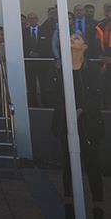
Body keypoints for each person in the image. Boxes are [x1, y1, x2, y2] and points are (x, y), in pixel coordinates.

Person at [49, 32, 105, 219]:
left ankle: (97, 205)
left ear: (85, 46)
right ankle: (69, 200)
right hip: (65, 120)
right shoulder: (59, 68)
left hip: (88, 123)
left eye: (77, 38)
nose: (73, 39)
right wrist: (65, 111)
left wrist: (82, 109)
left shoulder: (91, 68)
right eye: (71, 37)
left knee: (91, 163)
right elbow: (54, 93)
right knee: (67, 162)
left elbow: (97, 94)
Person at [23, 11, 52, 107]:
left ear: (37, 19)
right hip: (29, 63)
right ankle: (33, 104)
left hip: (42, 63)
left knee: (44, 84)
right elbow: (22, 46)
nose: (32, 20)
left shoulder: (44, 30)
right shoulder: (23, 32)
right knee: (31, 85)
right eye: (30, 18)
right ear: (27, 20)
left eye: (34, 18)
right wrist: (29, 53)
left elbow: (48, 46)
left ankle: (45, 102)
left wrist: (39, 54)